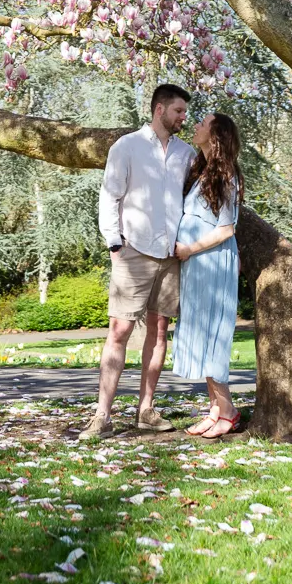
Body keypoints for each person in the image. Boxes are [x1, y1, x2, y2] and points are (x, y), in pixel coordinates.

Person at [78, 82, 195, 440]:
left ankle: (146, 410)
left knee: (159, 333)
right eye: (178, 111)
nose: (183, 118)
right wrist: (114, 244)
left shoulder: (186, 153)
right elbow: (110, 196)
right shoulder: (126, 146)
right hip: (133, 252)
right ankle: (102, 416)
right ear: (160, 110)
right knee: (120, 331)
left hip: (170, 257)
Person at [171, 111, 244, 439]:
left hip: (212, 263)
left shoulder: (226, 173)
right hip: (196, 266)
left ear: (215, 137)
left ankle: (228, 410)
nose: (195, 125)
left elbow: (227, 229)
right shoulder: (199, 170)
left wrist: (189, 249)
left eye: (202, 123)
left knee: (212, 335)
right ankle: (215, 408)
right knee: (200, 333)